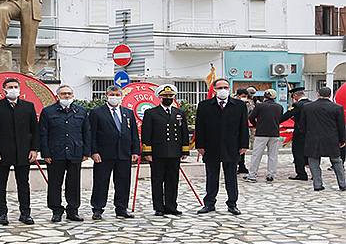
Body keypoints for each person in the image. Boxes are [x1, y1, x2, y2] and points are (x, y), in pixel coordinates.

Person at [0, 77, 39, 225]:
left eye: (16, 86)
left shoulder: (28, 106)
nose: (13, 89)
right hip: (2, 152)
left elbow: (35, 130)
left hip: (23, 152)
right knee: (0, 184)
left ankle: (25, 213)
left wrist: (34, 149)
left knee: (23, 183)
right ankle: (2, 213)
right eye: (10, 87)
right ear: (4, 89)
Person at [195, 78, 249, 215]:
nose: (223, 90)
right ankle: (209, 203)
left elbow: (244, 126)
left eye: (225, 87)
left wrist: (244, 144)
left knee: (231, 177)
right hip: (211, 146)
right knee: (212, 176)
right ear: (214, 89)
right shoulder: (204, 105)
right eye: (220, 88)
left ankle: (232, 204)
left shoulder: (239, 105)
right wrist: (199, 145)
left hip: (231, 146)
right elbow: (199, 127)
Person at [39, 84, 90, 223]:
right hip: (55, 153)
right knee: (55, 183)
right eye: (63, 94)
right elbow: (43, 134)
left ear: (73, 96)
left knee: (74, 183)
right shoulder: (48, 112)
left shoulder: (81, 111)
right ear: (58, 96)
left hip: (75, 152)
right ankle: (56, 210)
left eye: (69, 94)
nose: (66, 96)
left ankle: (73, 210)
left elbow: (86, 132)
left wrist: (86, 152)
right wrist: (45, 153)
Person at [89, 85, 140, 220]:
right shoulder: (97, 112)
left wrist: (135, 150)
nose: (115, 97)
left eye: (117, 95)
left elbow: (133, 133)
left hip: (124, 154)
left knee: (123, 182)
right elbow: (92, 134)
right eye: (112, 95)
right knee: (101, 182)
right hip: (104, 155)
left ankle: (121, 208)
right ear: (107, 95)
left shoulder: (128, 113)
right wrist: (94, 152)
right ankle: (98, 209)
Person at [141, 84, 190, 216]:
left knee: (173, 181)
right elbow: (146, 133)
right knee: (157, 181)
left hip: (174, 153)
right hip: (158, 153)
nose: (168, 98)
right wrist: (147, 152)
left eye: (170, 96)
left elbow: (184, 132)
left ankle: (171, 206)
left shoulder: (179, 113)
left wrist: (184, 150)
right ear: (159, 97)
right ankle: (159, 207)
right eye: (165, 96)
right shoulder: (151, 113)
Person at [299, 87, 346, 191]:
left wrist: (306, 135)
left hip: (313, 138)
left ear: (317, 94)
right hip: (331, 139)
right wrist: (342, 140)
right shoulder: (337, 108)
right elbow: (341, 126)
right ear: (330, 95)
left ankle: (317, 184)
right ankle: (343, 184)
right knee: (337, 162)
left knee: (314, 162)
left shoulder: (308, 107)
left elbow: (302, 125)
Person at [245, 89, 283, 183]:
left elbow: (251, 117)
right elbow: (280, 119)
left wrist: (255, 125)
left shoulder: (260, 106)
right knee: (273, 155)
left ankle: (252, 175)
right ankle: (271, 174)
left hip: (261, 132)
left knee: (256, 155)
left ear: (264, 96)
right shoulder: (279, 107)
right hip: (274, 133)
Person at [280, 87, 311, 181]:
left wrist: (275, 120)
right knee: (311, 154)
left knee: (298, 153)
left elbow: (285, 116)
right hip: (312, 133)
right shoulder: (312, 103)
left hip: (300, 133)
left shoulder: (297, 105)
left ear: (295, 95)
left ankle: (301, 174)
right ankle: (315, 174)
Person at [235, 88, 252, 174]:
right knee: (234, 149)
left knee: (243, 147)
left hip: (244, 128)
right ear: (238, 96)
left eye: (246, 96)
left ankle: (242, 165)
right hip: (234, 130)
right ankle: (235, 165)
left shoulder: (248, 104)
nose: (245, 98)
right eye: (243, 96)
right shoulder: (233, 103)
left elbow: (252, 113)